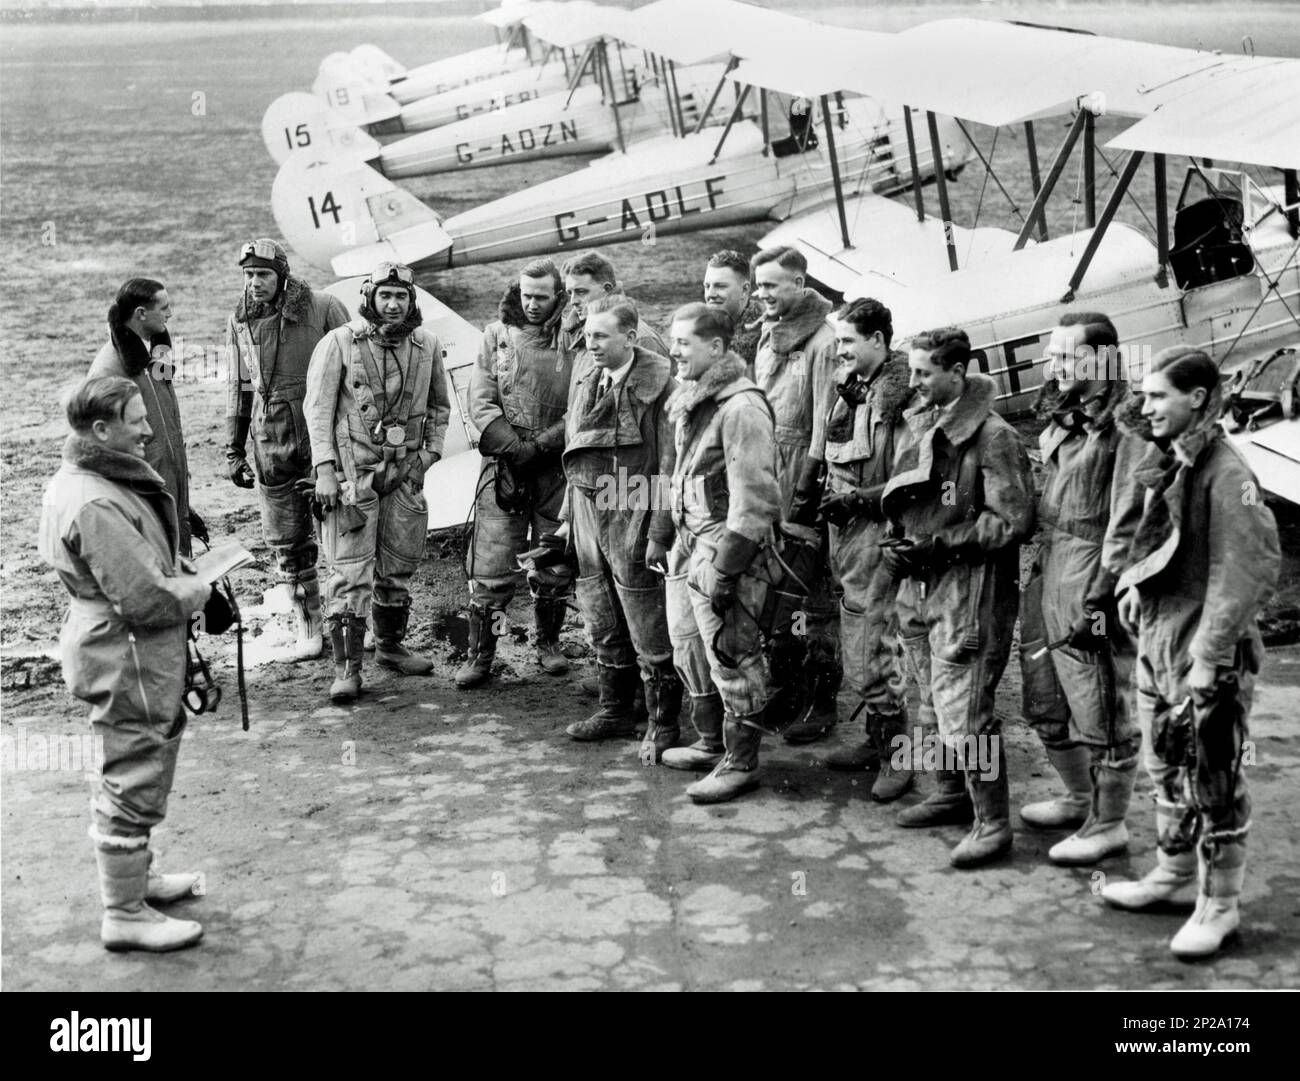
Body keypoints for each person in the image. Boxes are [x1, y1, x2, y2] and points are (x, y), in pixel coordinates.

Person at [1102, 347, 1279, 960]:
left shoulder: (1229, 475)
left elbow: (1249, 568)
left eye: (1158, 396)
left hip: (1205, 655)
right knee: (1164, 766)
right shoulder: (1176, 460)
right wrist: (1132, 583)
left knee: (1214, 780)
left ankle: (1220, 905)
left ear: (1198, 398)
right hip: (1160, 642)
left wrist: (1210, 656)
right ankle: (1174, 876)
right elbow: (1156, 536)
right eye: (1145, 396)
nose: (1145, 406)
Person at [39, 376, 212, 952]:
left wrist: (170, 567)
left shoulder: (89, 480)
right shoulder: (94, 500)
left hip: (120, 643)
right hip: (126, 645)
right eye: (136, 419)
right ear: (100, 430)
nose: (147, 428)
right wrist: (196, 589)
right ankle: (125, 913)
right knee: (134, 765)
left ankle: (139, 879)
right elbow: (144, 598)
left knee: (139, 754)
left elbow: (134, 563)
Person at [879, 328, 1035, 867]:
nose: (914, 382)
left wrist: (937, 545)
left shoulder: (993, 437)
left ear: (957, 372)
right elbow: (906, 498)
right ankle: (949, 793)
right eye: (912, 371)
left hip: (968, 590)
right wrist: (898, 544)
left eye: (924, 372)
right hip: (919, 587)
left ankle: (993, 824)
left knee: (967, 712)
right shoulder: (924, 422)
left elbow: (1010, 521)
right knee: (928, 697)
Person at [1018, 313, 1146, 865]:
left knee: (1102, 706)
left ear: (1102, 359)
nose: (1053, 366)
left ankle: (1109, 823)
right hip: (1049, 566)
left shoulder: (1127, 427)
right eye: (1051, 355)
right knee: (1043, 694)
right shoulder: (1066, 416)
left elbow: (1130, 519)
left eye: (1065, 357)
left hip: (1092, 571)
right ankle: (1077, 796)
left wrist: (1101, 598)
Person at [305, 262, 449, 703]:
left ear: (411, 302)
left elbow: (441, 407)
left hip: (404, 474)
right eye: (385, 296)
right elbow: (318, 411)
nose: (392, 305)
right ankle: (347, 668)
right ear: (370, 297)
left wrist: (429, 455)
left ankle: (389, 646)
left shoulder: (426, 345)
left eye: (401, 297)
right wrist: (325, 470)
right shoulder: (338, 343)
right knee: (349, 573)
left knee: (399, 564)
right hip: (352, 479)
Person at [664, 303, 781, 802]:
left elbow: (754, 505)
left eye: (684, 342)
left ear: (716, 348)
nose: (674, 351)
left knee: (731, 652)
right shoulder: (695, 397)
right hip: (688, 539)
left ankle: (741, 761)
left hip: (722, 546)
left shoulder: (741, 408)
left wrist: (726, 571)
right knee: (688, 645)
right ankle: (711, 741)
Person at [558, 296, 681, 760]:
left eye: (602, 336)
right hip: (589, 504)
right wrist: (568, 519)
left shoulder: (662, 387)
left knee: (645, 617)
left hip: (632, 501)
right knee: (598, 608)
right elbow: (574, 447)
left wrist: (658, 532)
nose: (591, 344)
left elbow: (669, 468)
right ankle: (615, 710)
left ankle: (663, 722)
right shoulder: (587, 376)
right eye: (588, 335)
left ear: (631, 337)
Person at [224, 238, 350, 662]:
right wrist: (233, 448)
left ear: (282, 275)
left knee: (343, 531)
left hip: (323, 434)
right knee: (287, 540)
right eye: (248, 275)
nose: (255, 283)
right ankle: (309, 624)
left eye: (263, 274)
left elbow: (355, 376)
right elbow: (239, 387)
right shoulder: (240, 321)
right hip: (271, 437)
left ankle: (351, 618)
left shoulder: (324, 307)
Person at [814, 298, 918, 801]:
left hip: (877, 534)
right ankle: (876, 743)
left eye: (849, 342)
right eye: (838, 342)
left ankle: (899, 760)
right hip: (845, 535)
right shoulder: (852, 391)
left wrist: (857, 499)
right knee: (856, 634)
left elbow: (914, 479)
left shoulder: (901, 402)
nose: (841, 351)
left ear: (878, 340)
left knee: (873, 645)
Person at [456, 258, 575, 688]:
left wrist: (543, 444)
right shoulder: (496, 335)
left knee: (553, 560)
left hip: (555, 465)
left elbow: (580, 402)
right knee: (490, 562)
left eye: (542, 297)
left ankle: (548, 643)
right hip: (504, 468)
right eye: (527, 295)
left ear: (559, 296)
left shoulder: (573, 340)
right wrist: (514, 447)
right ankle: (480, 655)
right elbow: (481, 400)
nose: (533, 304)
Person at [751, 245, 841, 745]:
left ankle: (822, 701)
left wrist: (807, 488)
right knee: (771, 590)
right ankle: (785, 690)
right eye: (759, 285)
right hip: (766, 474)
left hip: (801, 476)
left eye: (773, 285)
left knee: (813, 594)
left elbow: (824, 423)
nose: (763, 294)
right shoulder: (768, 333)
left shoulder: (824, 342)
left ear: (800, 284)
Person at [89, 278, 203, 557]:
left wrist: (181, 506)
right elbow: (103, 451)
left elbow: (165, 435)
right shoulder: (109, 370)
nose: (170, 314)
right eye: (163, 308)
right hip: (143, 499)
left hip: (165, 489)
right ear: (140, 314)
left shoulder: (153, 354)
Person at [702, 250, 763, 375]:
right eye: (707, 286)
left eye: (720, 286)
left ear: (745, 290)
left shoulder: (765, 339)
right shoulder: (700, 329)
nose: (710, 295)